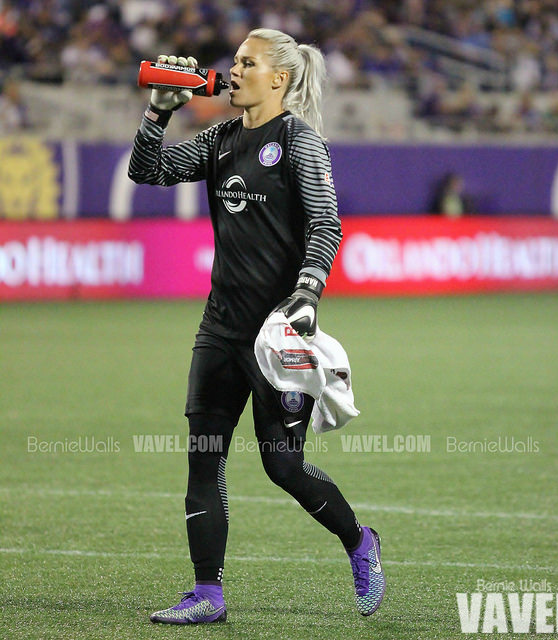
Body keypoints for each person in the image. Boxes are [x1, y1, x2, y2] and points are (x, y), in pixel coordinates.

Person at [128, 28, 385, 625]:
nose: (233, 70)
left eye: (248, 62)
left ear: (280, 78)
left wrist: (307, 292)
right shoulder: (218, 138)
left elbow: (327, 223)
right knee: (204, 456)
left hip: (278, 337)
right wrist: (158, 112)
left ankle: (360, 542)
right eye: (235, 60)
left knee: (281, 465)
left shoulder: (299, 140)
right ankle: (207, 595)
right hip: (220, 327)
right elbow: (149, 170)